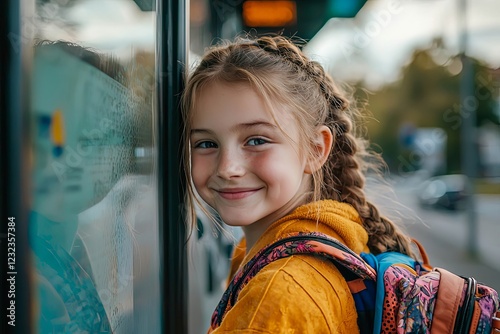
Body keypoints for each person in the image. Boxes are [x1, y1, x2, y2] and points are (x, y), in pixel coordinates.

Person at [181, 35, 416, 333]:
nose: (228, 168)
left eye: (256, 140)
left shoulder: (277, 294)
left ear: (316, 149)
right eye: (206, 143)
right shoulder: (322, 239)